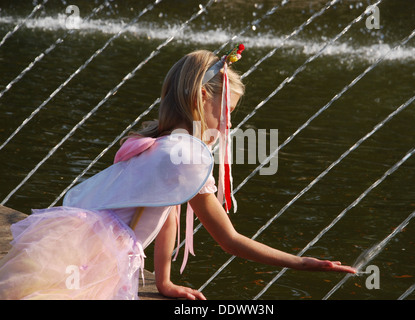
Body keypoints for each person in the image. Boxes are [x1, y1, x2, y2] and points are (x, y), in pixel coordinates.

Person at [0, 45, 356, 300]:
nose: (229, 124)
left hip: (79, 246)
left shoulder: (157, 142)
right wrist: (300, 262)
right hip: (103, 259)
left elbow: (166, 210)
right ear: (202, 97)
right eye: (227, 112)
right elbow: (229, 241)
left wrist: (165, 283)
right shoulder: (187, 156)